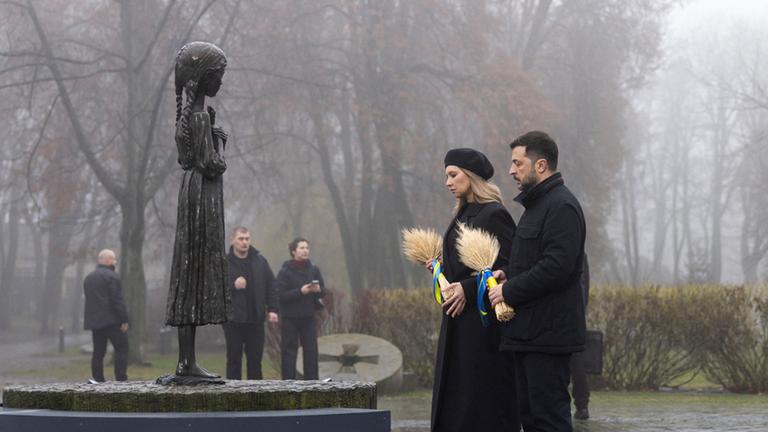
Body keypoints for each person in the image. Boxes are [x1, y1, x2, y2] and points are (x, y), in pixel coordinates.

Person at [489, 131, 587, 432]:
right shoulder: (537, 207)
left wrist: (509, 290)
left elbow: (557, 267)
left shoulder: (562, 206)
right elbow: (537, 262)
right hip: (528, 335)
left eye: (518, 163)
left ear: (541, 165)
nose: (511, 170)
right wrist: (509, 275)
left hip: (548, 337)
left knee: (549, 421)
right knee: (531, 420)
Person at [431, 148, 519, 432]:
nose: (448, 182)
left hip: (482, 328)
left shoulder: (494, 214)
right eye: (446, 175)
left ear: (470, 176)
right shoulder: (462, 214)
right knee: (456, 399)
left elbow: (509, 266)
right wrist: (439, 273)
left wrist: (467, 290)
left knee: (478, 403)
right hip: (458, 323)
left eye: (453, 174)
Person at [166, 41, 231, 379]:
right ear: (204, 77)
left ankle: (185, 361)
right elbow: (211, 164)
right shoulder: (200, 118)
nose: (220, 81)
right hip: (202, 198)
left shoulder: (190, 118)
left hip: (190, 194)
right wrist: (218, 140)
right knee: (194, 271)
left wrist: (212, 129)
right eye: (218, 75)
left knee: (187, 272)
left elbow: (187, 158)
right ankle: (186, 364)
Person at [224, 226, 279, 380]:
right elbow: (214, 289)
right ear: (232, 240)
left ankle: (256, 397)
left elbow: (271, 285)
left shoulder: (260, 261)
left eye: (247, 239)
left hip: (256, 319)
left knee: (255, 361)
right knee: (234, 360)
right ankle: (233, 395)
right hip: (233, 320)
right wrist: (233, 286)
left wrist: (273, 309)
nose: (244, 242)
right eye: (241, 239)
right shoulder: (224, 263)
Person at [276, 237, 325, 380]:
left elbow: (323, 291)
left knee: (311, 352)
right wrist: (300, 291)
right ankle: (288, 385)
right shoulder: (285, 271)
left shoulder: (314, 270)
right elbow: (280, 295)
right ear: (293, 251)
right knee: (289, 353)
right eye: (302, 248)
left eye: (307, 248)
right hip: (290, 318)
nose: (305, 251)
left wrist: (317, 290)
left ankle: (312, 385)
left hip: (308, 317)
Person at [83, 249, 129, 382]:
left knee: (98, 352)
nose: (115, 262)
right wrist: (124, 319)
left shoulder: (89, 278)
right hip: (112, 321)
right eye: (114, 259)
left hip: (95, 323)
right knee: (122, 347)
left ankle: (98, 379)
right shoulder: (112, 277)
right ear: (107, 260)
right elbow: (117, 300)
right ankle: (121, 379)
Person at [570, 256, 591, 420]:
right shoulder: (580, 256)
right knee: (577, 362)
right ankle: (582, 405)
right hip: (576, 316)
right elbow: (586, 287)